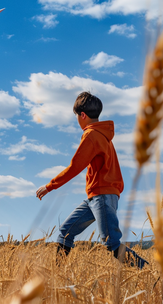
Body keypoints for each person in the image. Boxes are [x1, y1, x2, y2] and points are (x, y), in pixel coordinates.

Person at [36, 91, 148, 269]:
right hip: (97, 197)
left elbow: (75, 167)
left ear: (83, 115)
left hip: (102, 196)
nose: (77, 121)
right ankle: (55, 276)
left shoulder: (91, 135)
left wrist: (50, 186)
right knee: (66, 232)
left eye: (77, 117)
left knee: (111, 242)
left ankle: (149, 273)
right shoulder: (104, 137)